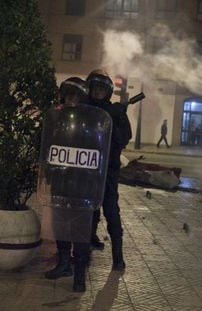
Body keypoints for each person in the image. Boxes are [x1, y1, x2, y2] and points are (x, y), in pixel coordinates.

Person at [44, 77, 92, 292]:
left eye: (76, 95)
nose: (72, 99)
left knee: (80, 230)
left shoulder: (91, 121)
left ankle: (79, 274)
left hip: (83, 184)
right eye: (69, 95)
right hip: (61, 182)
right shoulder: (56, 118)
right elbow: (46, 144)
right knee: (61, 226)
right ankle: (63, 264)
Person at [86, 69, 132, 271]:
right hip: (86, 168)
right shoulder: (83, 108)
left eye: (101, 89)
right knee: (88, 210)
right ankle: (85, 247)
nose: (97, 92)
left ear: (108, 91)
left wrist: (118, 117)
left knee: (111, 210)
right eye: (94, 88)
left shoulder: (114, 110)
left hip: (108, 168)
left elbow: (124, 138)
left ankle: (118, 256)